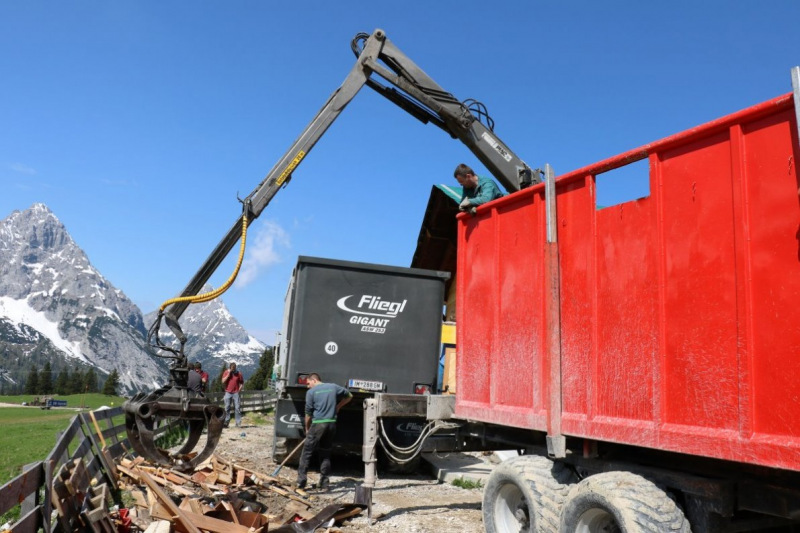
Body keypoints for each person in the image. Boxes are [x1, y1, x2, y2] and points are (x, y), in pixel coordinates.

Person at [296, 373, 352, 491]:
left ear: (314, 380)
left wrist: (307, 428)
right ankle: (324, 483)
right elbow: (349, 395)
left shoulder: (311, 392)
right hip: (331, 424)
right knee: (325, 453)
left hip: (318, 424)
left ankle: (301, 483)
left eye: (308, 383)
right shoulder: (333, 387)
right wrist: (338, 406)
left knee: (306, 453)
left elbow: (308, 413)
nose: (307, 386)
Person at [222, 362, 244, 428]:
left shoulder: (239, 373)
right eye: (232, 368)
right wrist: (228, 374)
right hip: (228, 392)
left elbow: (242, 382)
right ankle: (226, 422)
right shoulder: (226, 372)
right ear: (230, 367)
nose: (233, 369)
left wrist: (239, 390)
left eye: (234, 368)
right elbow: (223, 381)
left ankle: (238, 422)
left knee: (237, 407)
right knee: (227, 408)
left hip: (236, 392)